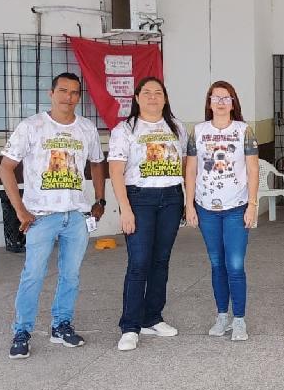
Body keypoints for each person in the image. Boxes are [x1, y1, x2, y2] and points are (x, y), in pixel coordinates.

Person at [0, 72, 106, 359]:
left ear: (79, 96)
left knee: (71, 275)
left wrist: (100, 199)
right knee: (33, 275)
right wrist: (20, 209)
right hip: (41, 216)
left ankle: (61, 325)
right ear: (51, 93)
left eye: (74, 92)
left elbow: (97, 163)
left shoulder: (86, 128)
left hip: (76, 215)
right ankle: (22, 331)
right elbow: (5, 168)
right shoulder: (32, 126)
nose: (68, 97)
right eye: (63, 91)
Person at [108, 77, 187, 351]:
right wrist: (125, 208)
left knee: (160, 261)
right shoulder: (125, 129)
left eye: (158, 92)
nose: (153, 97)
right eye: (147, 92)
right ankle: (130, 325)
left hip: (171, 198)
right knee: (139, 262)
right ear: (137, 98)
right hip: (139, 199)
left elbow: (185, 165)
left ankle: (152, 317)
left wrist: (187, 200)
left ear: (165, 98)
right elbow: (116, 170)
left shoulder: (176, 127)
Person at [184, 80, 259, 341]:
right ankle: (222, 316)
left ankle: (239, 320)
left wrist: (252, 205)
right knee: (217, 264)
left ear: (233, 103)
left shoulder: (244, 131)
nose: (220, 102)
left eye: (226, 98)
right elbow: (191, 170)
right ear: (209, 102)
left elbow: (252, 169)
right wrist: (189, 205)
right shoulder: (198, 131)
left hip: (236, 208)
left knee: (235, 265)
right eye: (215, 98)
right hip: (206, 209)